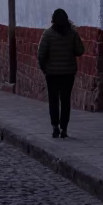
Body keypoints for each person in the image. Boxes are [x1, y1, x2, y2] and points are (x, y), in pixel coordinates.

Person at [37, 8, 84, 139]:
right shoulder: (72, 34)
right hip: (68, 73)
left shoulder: (47, 34)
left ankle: (54, 127)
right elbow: (80, 51)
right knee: (65, 100)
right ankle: (64, 128)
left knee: (53, 100)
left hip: (52, 73)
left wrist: (44, 68)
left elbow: (41, 54)